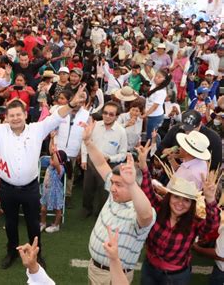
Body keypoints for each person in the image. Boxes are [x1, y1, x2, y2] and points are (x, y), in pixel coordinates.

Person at [0, 83, 87, 269]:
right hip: (7, 188)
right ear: (6, 118)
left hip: (30, 189)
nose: (16, 118)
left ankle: (37, 254)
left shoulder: (38, 129)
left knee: (33, 225)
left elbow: (56, 116)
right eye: (12, 115)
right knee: (10, 224)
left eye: (19, 114)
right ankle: (12, 252)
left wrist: (72, 104)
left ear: (25, 115)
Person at [81, 121, 155, 285]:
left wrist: (130, 184)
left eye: (119, 184)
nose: (112, 188)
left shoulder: (139, 209)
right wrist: (88, 142)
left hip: (114, 277)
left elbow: (146, 215)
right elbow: (101, 163)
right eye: (112, 183)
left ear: (134, 185)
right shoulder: (115, 194)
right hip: (96, 270)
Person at [137, 140, 220, 285]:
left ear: (191, 204)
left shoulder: (194, 223)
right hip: (150, 268)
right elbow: (148, 192)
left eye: (186, 200)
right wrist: (144, 166)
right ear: (169, 197)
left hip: (176, 277)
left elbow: (211, 227)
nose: (180, 203)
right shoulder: (159, 210)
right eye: (176, 196)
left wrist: (210, 200)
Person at [80, 101, 127, 217]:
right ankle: (86, 209)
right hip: (91, 162)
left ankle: (101, 213)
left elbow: (123, 154)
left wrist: (110, 158)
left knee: (104, 191)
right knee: (87, 188)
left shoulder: (121, 132)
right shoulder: (95, 125)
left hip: (108, 166)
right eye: (105, 113)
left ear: (117, 116)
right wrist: (84, 160)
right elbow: (85, 141)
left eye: (111, 114)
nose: (107, 116)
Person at [39, 139, 67, 233]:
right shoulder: (50, 167)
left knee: (57, 210)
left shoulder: (60, 169)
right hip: (46, 192)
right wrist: (52, 138)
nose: (51, 159)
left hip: (55, 193)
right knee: (43, 209)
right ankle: (43, 223)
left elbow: (56, 162)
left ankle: (56, 225)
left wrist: (54, 153)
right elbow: (51, 152)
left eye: (53, 158)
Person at [143, 69, 171, 139]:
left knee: (151, 136)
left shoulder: (161, 92)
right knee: (149, 133)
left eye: (159, 77)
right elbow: (148, 72)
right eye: (156, 75)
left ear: (164, 80)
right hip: (150, 114)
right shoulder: (154, 84)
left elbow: (154, 107)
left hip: (155, 117)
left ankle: (151, 149)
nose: (156, 78)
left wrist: (144, 115)